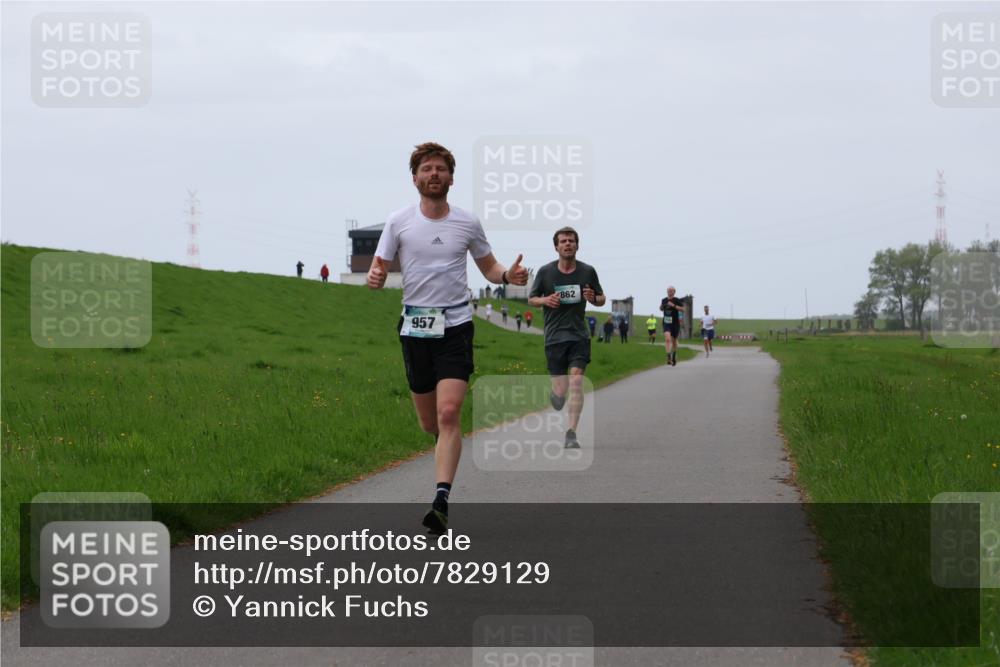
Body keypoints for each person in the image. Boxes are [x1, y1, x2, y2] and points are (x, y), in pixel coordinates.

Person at [367, 142, 528, 534]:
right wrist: (376, 276)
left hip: (456, 325)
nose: (434, 174)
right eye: (427, 169)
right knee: (430, 423)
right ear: (415, 178)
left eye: (440, 168)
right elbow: (379, 266)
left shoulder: (467, 223)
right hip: (415, 327)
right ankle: (446, 444)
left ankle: (441, 500)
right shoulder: (398, 221)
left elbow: (489, 267)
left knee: (449, 412)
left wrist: (508, 276)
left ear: (451, 178)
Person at [528, 226, 605, 449]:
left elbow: (601, 298)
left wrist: (593, 298)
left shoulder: (588, 271)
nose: (568, 244)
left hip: (579, 335)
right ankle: (557, 395)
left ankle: (571, 433)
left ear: (577, 245)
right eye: (563, 241)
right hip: (554, 337)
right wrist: (545, 300)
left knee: (577, 380)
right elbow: (532, 299)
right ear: (556, 247)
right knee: (561, 390)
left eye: (571, 240)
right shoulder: (545, 272)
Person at [660, 286, 683, 366]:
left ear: (674, 292)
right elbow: (661, 308)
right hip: (666, 322)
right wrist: (661, 307)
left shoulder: (677, 300)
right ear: (667, 291)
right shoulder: (664, 300)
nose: (669, 291)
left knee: (674, 340)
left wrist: (674, 306)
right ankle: (668, 356)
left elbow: (682, 309)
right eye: (668, 290)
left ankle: (674, 355)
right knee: (667, 339)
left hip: (675, 323)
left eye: (671, 290)